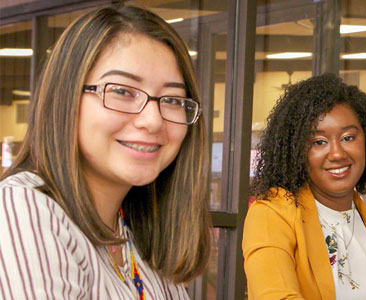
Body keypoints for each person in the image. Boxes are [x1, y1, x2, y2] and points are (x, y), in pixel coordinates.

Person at [0, 4, 211, 298]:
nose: (152, 120)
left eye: (173, 100)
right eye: (123, 91)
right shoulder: (22, 208)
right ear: (66, 97)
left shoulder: (136, 234)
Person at [242, 73, 366, 300]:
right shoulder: (272, 215)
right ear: (296, 151)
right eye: (319, 142)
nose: (337, 153)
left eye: (348, 137)